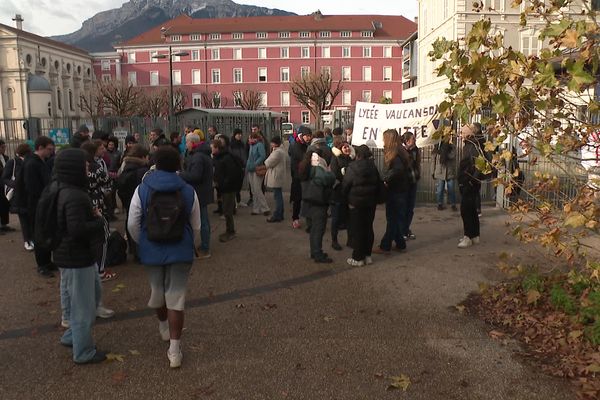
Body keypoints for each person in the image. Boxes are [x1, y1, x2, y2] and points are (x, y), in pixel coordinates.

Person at [128, 146, 201, 368]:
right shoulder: (188, 190)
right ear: (178, 164)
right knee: (176, 299)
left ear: (155, 164)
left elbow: (132, 222)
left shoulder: (142, 189)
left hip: (151, 248)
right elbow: (196, 224)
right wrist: (192, 245)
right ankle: (175, 350)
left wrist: (143, 243)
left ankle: (162, 326)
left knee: (157, 292)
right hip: (180, 250)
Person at [53, 148, 110, 364]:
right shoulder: (75, 195)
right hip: (76, 256)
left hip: (70, 255)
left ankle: (72, 336)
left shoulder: (62, 188)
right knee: (83, 306)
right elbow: (77, 229)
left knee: (91, 295)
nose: (88, 169)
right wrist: (97, 219)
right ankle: (83, 351)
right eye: (84, 166)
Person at [81, 140, 117, 283]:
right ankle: (100, 270)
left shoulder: (77, 168)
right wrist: (101, 192)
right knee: (101, 236)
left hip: (82, 203)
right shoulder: (96, 168)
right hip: (97, 204)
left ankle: (91, 268)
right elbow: (108, 184)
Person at [342, 145, 380, 267]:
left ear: (358, 155)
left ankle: (358, 258)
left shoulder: (352, 167)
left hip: (356, 203)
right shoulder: (373, 167)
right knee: (368, 228)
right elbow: (378, 183)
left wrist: (344, 198)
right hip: (370, 203)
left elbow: (346, 185)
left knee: (358, 230)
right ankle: (367, 255)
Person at [22, 136, 55, 277]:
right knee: (40, 235)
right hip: (36, 206)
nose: (50, 152)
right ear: (40, 148)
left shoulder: (40, 162)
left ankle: (47, 261)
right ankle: (42, 264)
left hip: (43, 204)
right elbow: (32, 189)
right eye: (48, 149)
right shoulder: (32, 164)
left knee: (46, 233)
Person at [375, 129, 410, 254]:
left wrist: (385, 179)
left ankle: (385, 246)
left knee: (392, 219)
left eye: (384, 138)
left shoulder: (395, 153)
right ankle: (400, 244)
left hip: (396, 190)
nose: (383, 140)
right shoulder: (400, 151)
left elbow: (397, 170)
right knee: (393, 218)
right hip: (399, 189)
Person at [179, 132, 214, 258]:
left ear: (192, 142)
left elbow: (195, 176)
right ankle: (204, 245)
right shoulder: (201, 154)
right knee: (204, 220)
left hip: (200, 192)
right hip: (203, 190)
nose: (185, 145)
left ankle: (205, 248)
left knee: (203, 220)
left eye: (187, 142)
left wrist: (180, 174)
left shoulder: (198, 156)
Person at [300, 147, 336, 263]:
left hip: (309, 200)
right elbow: (327, 178)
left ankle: (314, 251)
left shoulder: (304, 166)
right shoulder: (316, 167)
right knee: (318, 229)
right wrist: (329, 172)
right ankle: (317, 253)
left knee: (314, 229)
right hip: (318, 201)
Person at [117, 144, 150, 261]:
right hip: (138, 200)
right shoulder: (142, 170)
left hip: (127, 199)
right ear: (142, 157)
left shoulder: (124, 166)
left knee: (130, 221)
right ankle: (140, 252)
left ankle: (133, 248)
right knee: (140, 223)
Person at [211, 139, 244, 242]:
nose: (211, 149)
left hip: (229, 188)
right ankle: (229, 230)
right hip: (225, 187)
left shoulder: (226, 158)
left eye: (212, 147)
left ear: (217, 148)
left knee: (227, 211)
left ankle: (231, 231)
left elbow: (231, 174)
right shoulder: (220, 157)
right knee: (226, 210)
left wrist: (223, 183)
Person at [2, 143, 32, 248]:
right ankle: (27, 240)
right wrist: (14, 184)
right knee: (24, 219)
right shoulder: (13, 162)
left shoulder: (30, 161)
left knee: (30, 219)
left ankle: (30, 239)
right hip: (18, 195)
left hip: (29, 194)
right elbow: (4, 178)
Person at [458, 124, 483, 248]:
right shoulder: (471, 144)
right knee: (471, 209)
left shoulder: (474, 145)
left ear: (471, 133)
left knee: (466, 209)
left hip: (470, 181)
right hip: (469, 180)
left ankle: (468, 236)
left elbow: (479, 164)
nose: (460, 133)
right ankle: (474, 235)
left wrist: (471, 180)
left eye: (463, 131)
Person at [329, 139, 354, 250]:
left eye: (348, 146)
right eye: (345, 147)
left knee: (349, 217)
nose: (347, 149)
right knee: (336, 218)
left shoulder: (350, 159)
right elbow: (335, 175)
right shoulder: (335, 159)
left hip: (348, 194)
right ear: (340, 149)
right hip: (337, 193)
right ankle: (334, 240)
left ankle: (350, 240)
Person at [289, 127, 312, 229]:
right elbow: (304, 158)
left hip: (305, 175)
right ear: (302, 135)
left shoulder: (306, 145)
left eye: (310, 136)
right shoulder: (295, 145)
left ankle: (307, 219)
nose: (309, 138)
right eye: (307, 136)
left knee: (306, 198)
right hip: (297, 176)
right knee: (297, 198)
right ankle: (295, 218)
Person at [246, 132, 270, 216]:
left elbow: (262, 156)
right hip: (251, 169)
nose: (249, 139)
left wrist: (255, 164)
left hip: (257, 169)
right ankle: (256, 209)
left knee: (257, 189)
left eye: (250, 138)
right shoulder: (251, 145)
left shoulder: (259, 145)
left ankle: (265, 208)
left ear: (254, 138)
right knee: (253, 190)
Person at [264, 136, 288, 222]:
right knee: (278, 195)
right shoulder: (279, 151)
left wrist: (267, 160)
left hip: (276, 176)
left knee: (277, 196)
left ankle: (278, 214)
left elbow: (268, 162)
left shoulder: (278, 152)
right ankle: (279, 214)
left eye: (272, 143)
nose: (271, 144)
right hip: (277, 175)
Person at [402, 131, 420, 240]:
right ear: (407, 141)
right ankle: (402, 230)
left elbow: (416, 163)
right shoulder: (401, 151)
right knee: (403, 208)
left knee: (410, 208)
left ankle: (406, 229)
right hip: (405, 183)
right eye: (413, 139)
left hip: (413, 181)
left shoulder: (415, 150)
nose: (415, 141)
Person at [433, 140, 457, 211]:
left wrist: (445, 152)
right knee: (440, 189)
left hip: (449, 172)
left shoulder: (452, 147)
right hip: (440, 171)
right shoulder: (437, 148)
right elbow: (433, 160)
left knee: (451, 189)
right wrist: (432, 171)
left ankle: (453, 204)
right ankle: (440, 203)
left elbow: (452, 155)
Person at [229, 128, 247, 205]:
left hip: (242, 167)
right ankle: (235, 201)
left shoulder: (242, 144)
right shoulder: (231, 144)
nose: (239, 136)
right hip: (235, 166)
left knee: (240, 183)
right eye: (238, 134)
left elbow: (244, 155)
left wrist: (244, 163)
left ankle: (238, 200)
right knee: (235, 184)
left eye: (240, 134)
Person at [105, 136, 122, 221]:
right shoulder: (105, 153)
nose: (111, 146)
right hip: (108, 174)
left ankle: (115, 206)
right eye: (109, 144)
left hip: (115, 174)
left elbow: (119, 164)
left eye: (112, 144)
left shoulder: (118, 153)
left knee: (114, 191)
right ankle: (112, 207)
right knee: (110, 192)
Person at [0, 139, 14, 233]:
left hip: (4, 185)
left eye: (4, 147)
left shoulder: (5, 157)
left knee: (4, 204)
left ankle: (4, 224)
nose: (4, 148)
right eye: (2, 147)